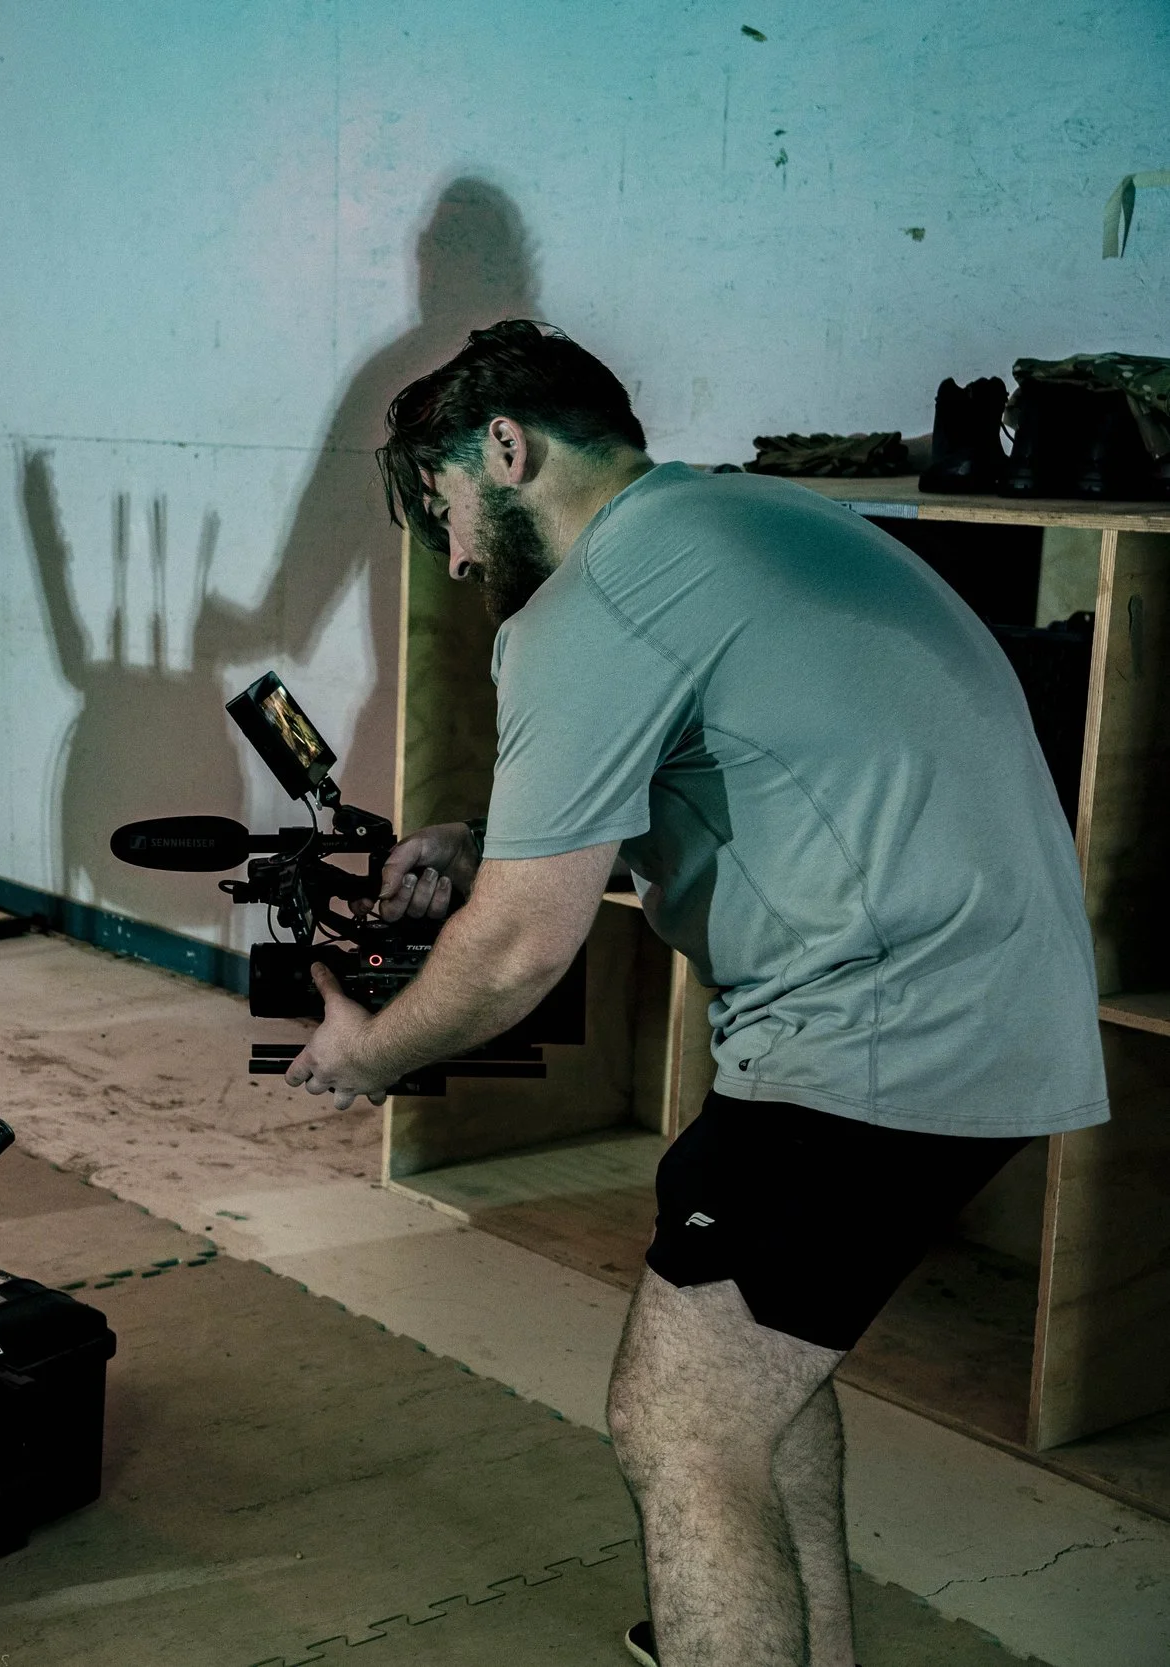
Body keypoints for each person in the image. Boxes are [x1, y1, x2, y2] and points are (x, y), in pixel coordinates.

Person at [282, 322, 1107, 1667]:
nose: (461, 555)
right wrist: (483, 843)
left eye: (446, 507)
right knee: (755, 1385)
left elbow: (511, 954)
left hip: (876, 1041)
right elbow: (760, 759)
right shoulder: (739, 520)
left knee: (678, 1427)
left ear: (505, 447)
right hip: (993, 1007)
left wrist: (373, 1050)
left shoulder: (594, 595)